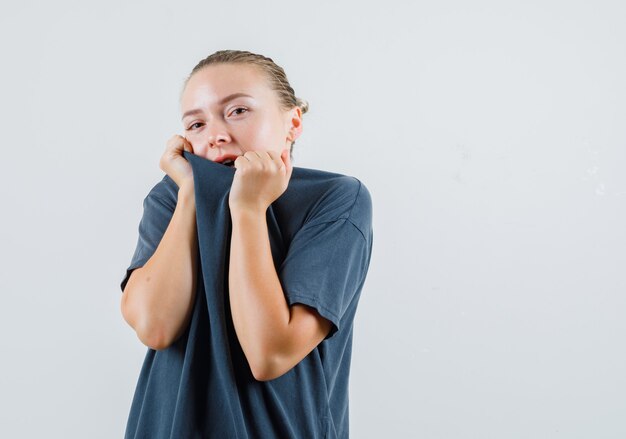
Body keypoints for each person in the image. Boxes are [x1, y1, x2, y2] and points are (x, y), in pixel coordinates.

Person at [119, 49, 373, 438]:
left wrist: (249, 207)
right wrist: (190, 195)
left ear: (293, 122)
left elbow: (269, 354)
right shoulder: (171, 197)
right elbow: (155, 327)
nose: (217, 134)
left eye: (238, 111)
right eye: (197, 124)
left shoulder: (334, 199)